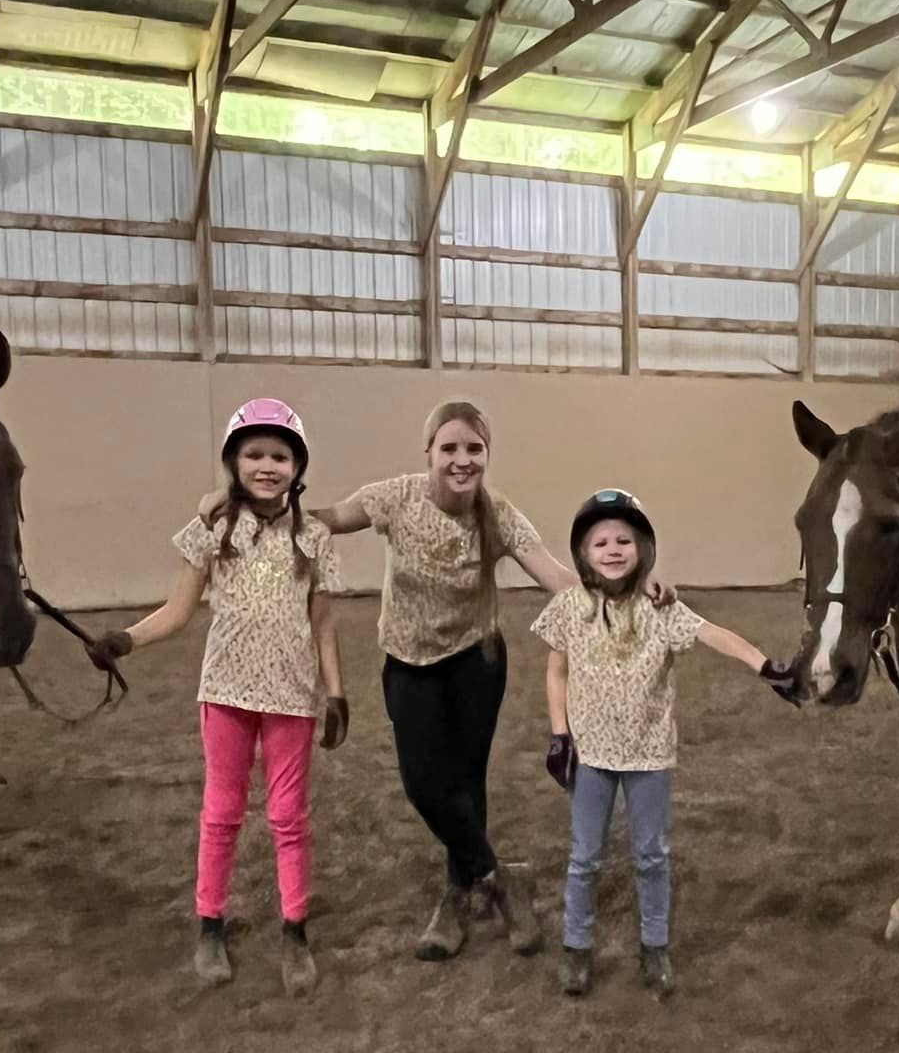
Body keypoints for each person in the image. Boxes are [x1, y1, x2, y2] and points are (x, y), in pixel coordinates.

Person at [87, 399, 347, 996]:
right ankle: (210, 924)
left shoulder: (314, 537)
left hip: (290, 698)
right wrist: (124, 640)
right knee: (222, 813)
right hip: (226, 692)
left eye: (279, 456)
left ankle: (295, 930)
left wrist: (335, 693)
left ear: (296, 466)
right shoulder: (211, 531)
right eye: (254, 454)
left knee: (288, 818)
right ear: (233, 462)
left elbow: (324, 621)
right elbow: (179, 611)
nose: (266, 465)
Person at [312, 401, 584, 963]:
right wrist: (242, 503)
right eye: (450, 448)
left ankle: (458, 895)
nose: (462, 460)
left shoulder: (500, 514)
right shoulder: (395, 497)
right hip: (408, 664)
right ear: (429, 452)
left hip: (476, 662)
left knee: (465, 781)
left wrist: (624, 591)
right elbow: (326, 520)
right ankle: (498, 878)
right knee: (422, 784)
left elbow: (557, 577)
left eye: (474, 449)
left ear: (487, 455)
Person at [534, 489, 798, 1000]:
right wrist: (560, 733)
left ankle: (654, 945)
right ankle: (577, 947)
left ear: (643, 548)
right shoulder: (569, 606)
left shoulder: (660, 607)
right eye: (600, 542)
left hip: (649, 755)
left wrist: (764, 665)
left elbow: (712, 633)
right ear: (583, 555)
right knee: (585, 855)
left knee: (650, 854)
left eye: (624, 540)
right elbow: (556, 669)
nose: (613, 549)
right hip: (591, 756)